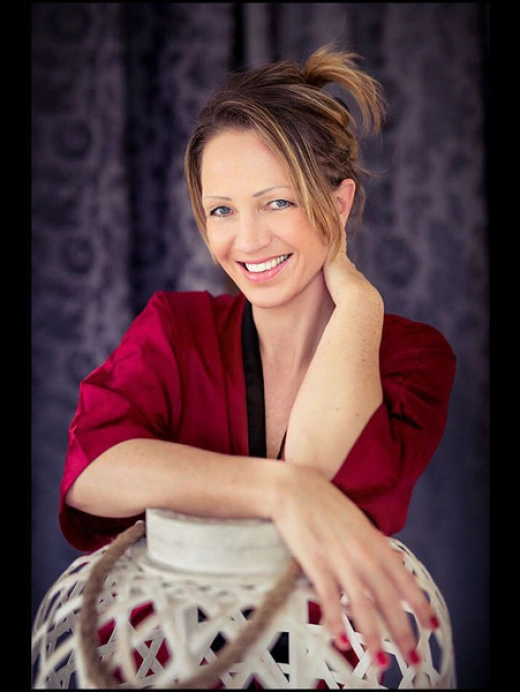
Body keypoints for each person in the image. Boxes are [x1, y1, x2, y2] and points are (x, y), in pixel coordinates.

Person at [59, 44, 456, 675]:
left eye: (277, 202)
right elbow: (92, 472)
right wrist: (278, 490)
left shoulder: (411, 358)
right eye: (222, 210)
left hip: (321, 673)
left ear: (338, 204)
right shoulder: (176, 330)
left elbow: (321, 471)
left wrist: (360, 303)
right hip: (170, 672)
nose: (246, 240)